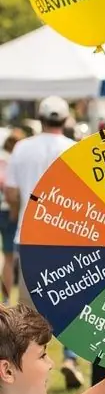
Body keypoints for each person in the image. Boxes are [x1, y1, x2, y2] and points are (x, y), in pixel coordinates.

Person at [4, 98, 83, 389]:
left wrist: (16, 212)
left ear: (39, 118)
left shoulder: (23, 148)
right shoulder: (73, 149)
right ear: (65, 120)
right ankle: (71, 358)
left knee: (29, 313)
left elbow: (11, 192)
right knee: (70, 302)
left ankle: (28, 367)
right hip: (67, 239)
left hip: (29, 237)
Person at [0, 129, 23, 303]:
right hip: (8, 211)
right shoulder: (13, 161)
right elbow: (11, 192)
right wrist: (16, 212)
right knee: (9, 258)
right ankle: (6, 300)